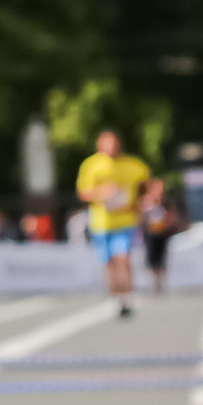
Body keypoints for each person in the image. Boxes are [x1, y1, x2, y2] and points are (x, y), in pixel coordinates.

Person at [76, 129, 150, 317]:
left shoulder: (133, 165)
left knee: (122, 258)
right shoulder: (91, 165)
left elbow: (146, 187)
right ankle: (116, 294)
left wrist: (139, 204)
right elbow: (83, 193)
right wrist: (103, 193)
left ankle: (126, 296)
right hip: (101, 223)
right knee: (108, 262)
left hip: (125, 221)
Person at [137, 178, 177, 293]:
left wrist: (167, 223)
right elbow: (141, 217)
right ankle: (154, 285)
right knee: (151, 259)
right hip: (151, 234)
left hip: (162, 234)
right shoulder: (146, 201)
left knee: (162, 260)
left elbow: (172, 216)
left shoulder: (165, 201)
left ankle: (162, 284)